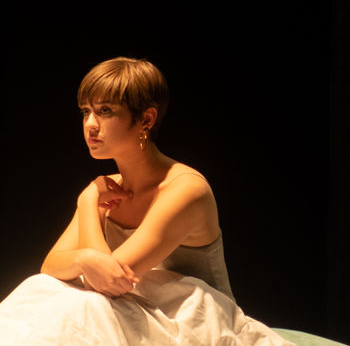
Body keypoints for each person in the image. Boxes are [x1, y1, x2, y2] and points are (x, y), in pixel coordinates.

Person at [42, 56, 234, 301]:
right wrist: (82, 259)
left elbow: (108, 281)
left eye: (105, 111)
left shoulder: (186, 189)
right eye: (86, 111)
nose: (90, 124)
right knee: (42, 289)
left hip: (198, 320)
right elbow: (50, 265)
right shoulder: (108, 188)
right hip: (137, 311)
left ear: (146, 119)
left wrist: (87, 202)